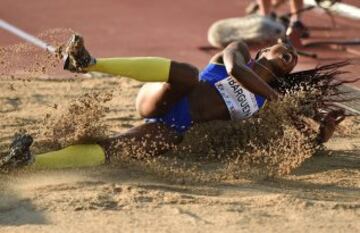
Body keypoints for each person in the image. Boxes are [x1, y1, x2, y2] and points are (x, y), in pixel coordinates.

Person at [1, 34, 344, 170]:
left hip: (173, 127)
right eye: (286, 50)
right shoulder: (239, 51)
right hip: (162, 97)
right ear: (264, 50)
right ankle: (89, 63)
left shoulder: (271, 105)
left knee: (115, 147)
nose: (292, 55)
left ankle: (29, 162)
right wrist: (280, 98)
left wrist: (321, 134)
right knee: (188, 73)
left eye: (295, 59)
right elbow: (235, 70)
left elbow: (299, 143)